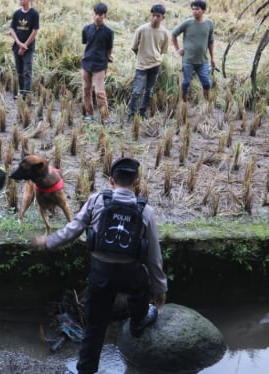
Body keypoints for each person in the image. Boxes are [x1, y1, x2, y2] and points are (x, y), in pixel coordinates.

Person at [32, 157, 168, 374]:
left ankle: (86, 369)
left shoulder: (96, 200)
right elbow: (154, 255)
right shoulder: (146, 211)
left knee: (94, 328)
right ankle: (138, 321)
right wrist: (160, 287)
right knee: (140, 285)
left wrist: (47, 241)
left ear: (111, 181)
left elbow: (73, 230)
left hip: (101, 273)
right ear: (136, 182)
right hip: (130, 273)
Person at [126, 4, 170, 123]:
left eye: (158, 16)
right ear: (150, 15)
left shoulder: (165, 33)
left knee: (149, 91)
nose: (155, 18)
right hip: (141, 66)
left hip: (155, 65)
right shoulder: (141, 29)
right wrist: (142, 57)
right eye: (153, 15)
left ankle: (142, 112)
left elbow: (162, 50)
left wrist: (154, 58)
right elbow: (134, 47)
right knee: (136, 91)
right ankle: (131, 115)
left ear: (163, 18)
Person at [171, 0, 215, 102]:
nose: (195, 11)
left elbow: (211, 41)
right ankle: (184, 103)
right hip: (188, 60)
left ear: (203, 10)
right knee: (186, 82)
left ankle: (207, 103)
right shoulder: (187, 23)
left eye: (197, 9)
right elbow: (173, 34)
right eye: (193, 9)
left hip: (203, 60)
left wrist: (213, 58)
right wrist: (178, 49)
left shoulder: (209, 24)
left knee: (206, 83)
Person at [81, 3, 115, 125]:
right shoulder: (86, 29)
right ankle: (89, 114)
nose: (97, 17)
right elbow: (87, 44)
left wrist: (109, 57)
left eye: (100, 14)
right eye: (96, 14)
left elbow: (109, 48)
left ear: (104, 16)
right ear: (93, 14)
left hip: (100, 65)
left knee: (99, 92)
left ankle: (105, 117)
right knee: (86, 89)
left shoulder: (108, 32)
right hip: (86, 63)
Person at [10, 0, 40, 100]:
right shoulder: (16, 13)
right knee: (19, 71)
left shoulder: (34, 14)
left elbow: (34, 31)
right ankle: (21, 91)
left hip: (28, 48)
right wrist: (19, 43)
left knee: (27, 71)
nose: (20, 0)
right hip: (17, 46)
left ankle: (26, 94)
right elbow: (12, 29)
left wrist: (24, 46)